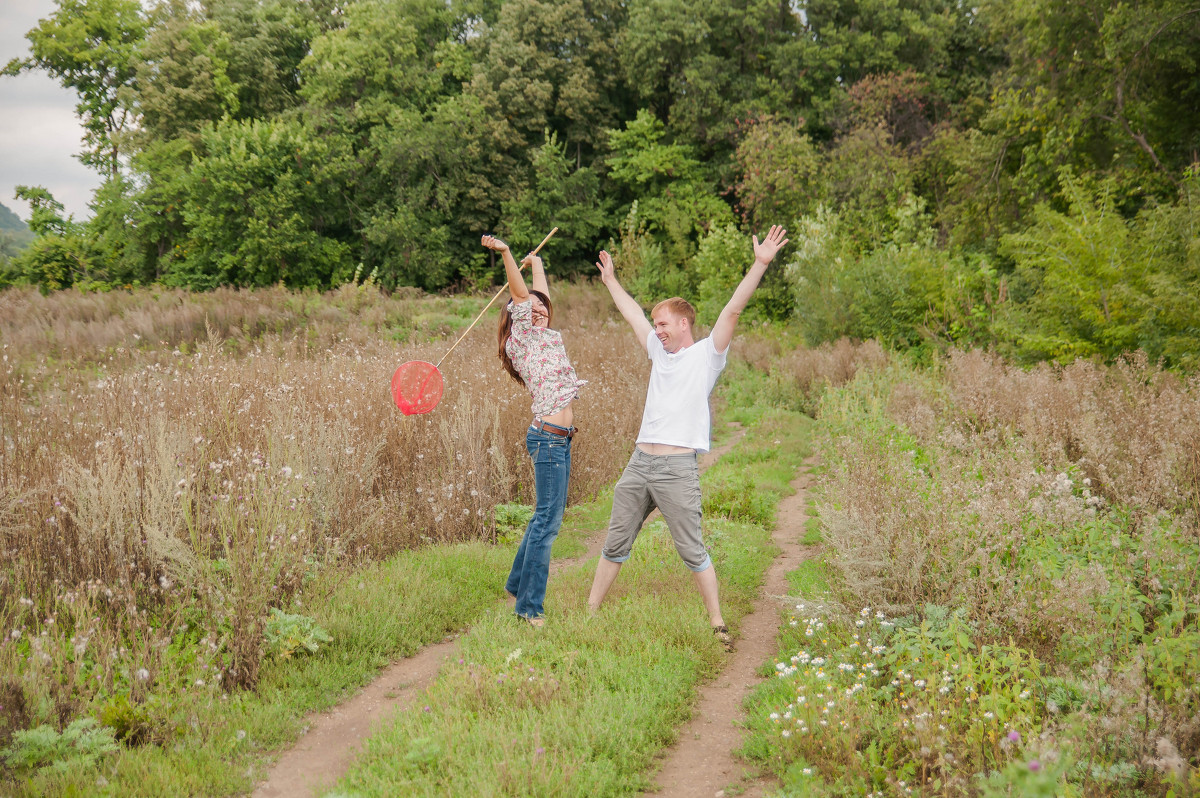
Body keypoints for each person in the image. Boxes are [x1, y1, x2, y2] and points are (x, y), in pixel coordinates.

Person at [586, 225, 789, 650]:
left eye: (663, 324)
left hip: (677, 468)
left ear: (683, 323)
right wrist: (610, 282)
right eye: (656, 324)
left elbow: (732, 311)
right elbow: (632, 315)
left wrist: (759, 265)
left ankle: (717, 622)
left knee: (692, 549)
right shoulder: (659, 353)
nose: (656, 330)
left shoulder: (707, 356)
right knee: (615, 541)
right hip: (640, 462)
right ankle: (589, 615)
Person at [482, 233, 585, 628]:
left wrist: (537, 264)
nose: (539, 310)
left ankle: (515, 584)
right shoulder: (521, 340)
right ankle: (528, 608)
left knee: (545, 517)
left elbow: (537, 295)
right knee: (548, 522)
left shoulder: (543, 335)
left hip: (559, 438)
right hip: (547, 438)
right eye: (530, 309)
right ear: (516, 317)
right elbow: (525, 296)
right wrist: (508, 254)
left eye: (544, 309)